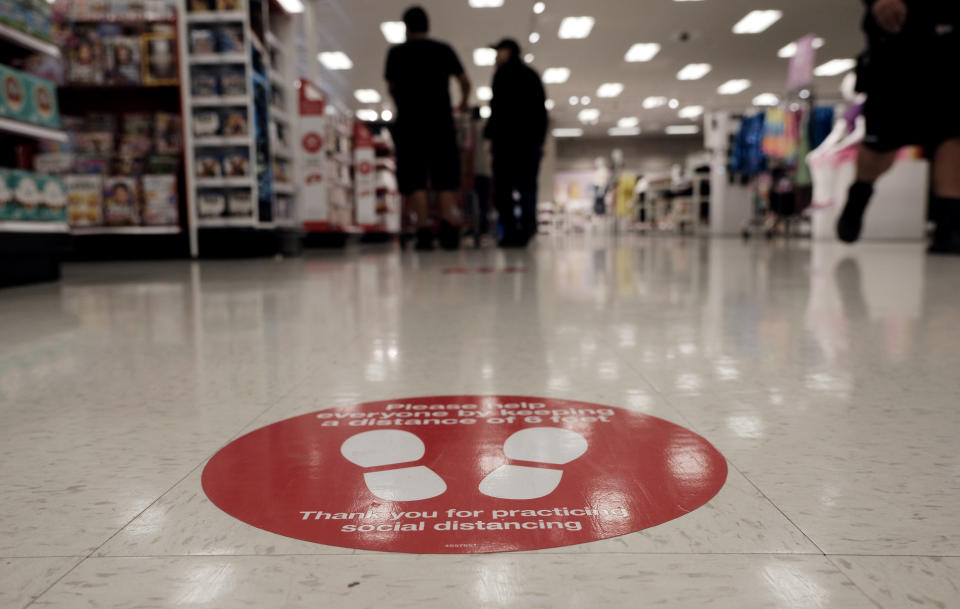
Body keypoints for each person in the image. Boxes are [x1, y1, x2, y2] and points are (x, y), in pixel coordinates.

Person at [837, 0, 960, 253]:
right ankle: (860, 191)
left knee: (953, 138)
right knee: (879, 149)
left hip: (950, 50)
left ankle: (949, 225)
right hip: (897, 44)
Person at [384, 5, 471, 250]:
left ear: (407, 27)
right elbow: (465, 82)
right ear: (427, 25)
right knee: (445, 179)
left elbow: (390, 88)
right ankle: (447, 228)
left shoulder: (396, 53)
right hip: (440, 122)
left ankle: (422, 230)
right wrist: (462, 104)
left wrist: (403, 101)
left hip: (410, 125)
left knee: (415, 180)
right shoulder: (443, 50)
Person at [483, 38, 548, 248]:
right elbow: (541, 112)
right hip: (529, 144)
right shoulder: (531, 75)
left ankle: (510, 231)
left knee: (504, 190)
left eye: (498, 52)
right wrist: (540, 142)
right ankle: (527, 229)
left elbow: (497, 110)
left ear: (508, 52)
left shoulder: (501, 75)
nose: (496, 56)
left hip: (506, 145)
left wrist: (489, 136)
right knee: (528, 188)